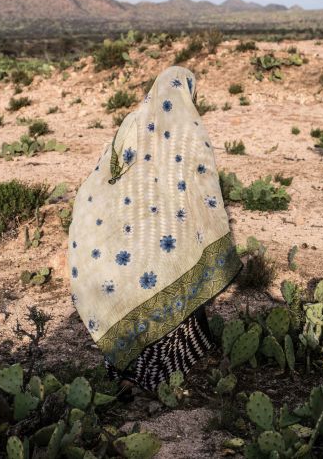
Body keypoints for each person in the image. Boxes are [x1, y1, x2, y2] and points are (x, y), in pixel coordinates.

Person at [67, 65, 241, 398]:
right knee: (171, 293)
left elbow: (108, 174)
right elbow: (197, 177)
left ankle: (129, 369)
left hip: (129, 237)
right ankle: (159, 375)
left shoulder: (133, 123)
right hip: (163, 235)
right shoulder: (183, 126)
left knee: (142, 297)